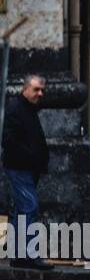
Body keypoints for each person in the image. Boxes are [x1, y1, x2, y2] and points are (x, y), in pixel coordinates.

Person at [2, 75, 51, 269]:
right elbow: (9, 140)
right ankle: (30, 255)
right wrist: (31, 156)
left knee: (22, 210)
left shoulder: (28, 109)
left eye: (42, 90)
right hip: (19, 166)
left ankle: (18, 255)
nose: (40, 93)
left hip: (26, 167)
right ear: (25, 89)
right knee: (29, 206)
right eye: (36, 89)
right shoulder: (16, 109)